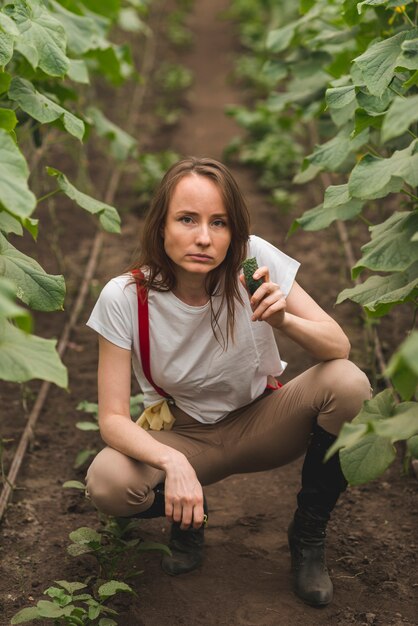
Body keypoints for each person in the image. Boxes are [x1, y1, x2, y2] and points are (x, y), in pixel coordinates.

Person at [85, 157, 371, 608]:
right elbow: (113, 419)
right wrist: (174, 464)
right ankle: (189, 518)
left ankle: (308, 536)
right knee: (108, 482)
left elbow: (339, 346)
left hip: (263, 421)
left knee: (349, 384)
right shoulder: (125, 297)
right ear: (161, 226)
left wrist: (285, 319)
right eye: (187, 219)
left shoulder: (252, 262)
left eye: (219, 223)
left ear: (234, 232)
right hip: (186, 435)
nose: (204, 237)